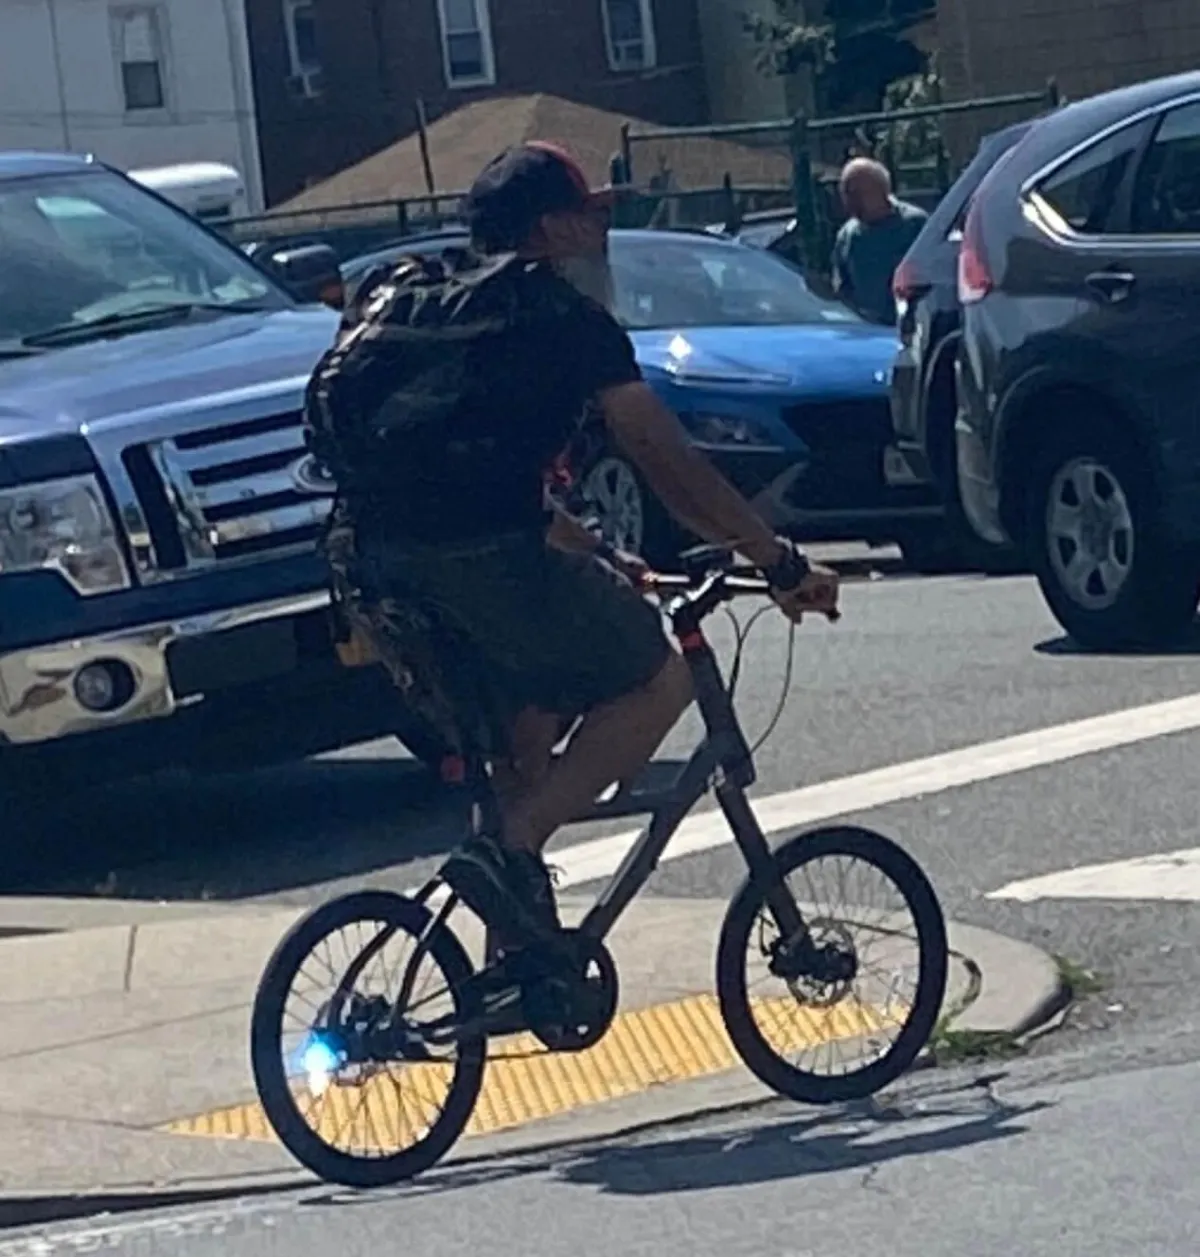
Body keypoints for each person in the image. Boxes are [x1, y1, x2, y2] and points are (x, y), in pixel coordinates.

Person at [305, 141, 840, 961]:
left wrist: (598, 551)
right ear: (552, 227)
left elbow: (469, 466)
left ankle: (513, 968)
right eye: (595, 214)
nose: (603, 232)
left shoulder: (417, 294)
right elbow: (669, 462)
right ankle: (510, 849)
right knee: (659, 680)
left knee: (531, 720)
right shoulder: (560, 317)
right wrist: (776, 561)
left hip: (371, 561)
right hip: (477, 556)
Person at [831, 157, 928, 326]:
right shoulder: (847, 236)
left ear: (882, 190)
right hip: (869, 331)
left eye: (857, 193)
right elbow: (842, 291)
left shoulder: (914, 225)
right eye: (845, 194)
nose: (851, 202)